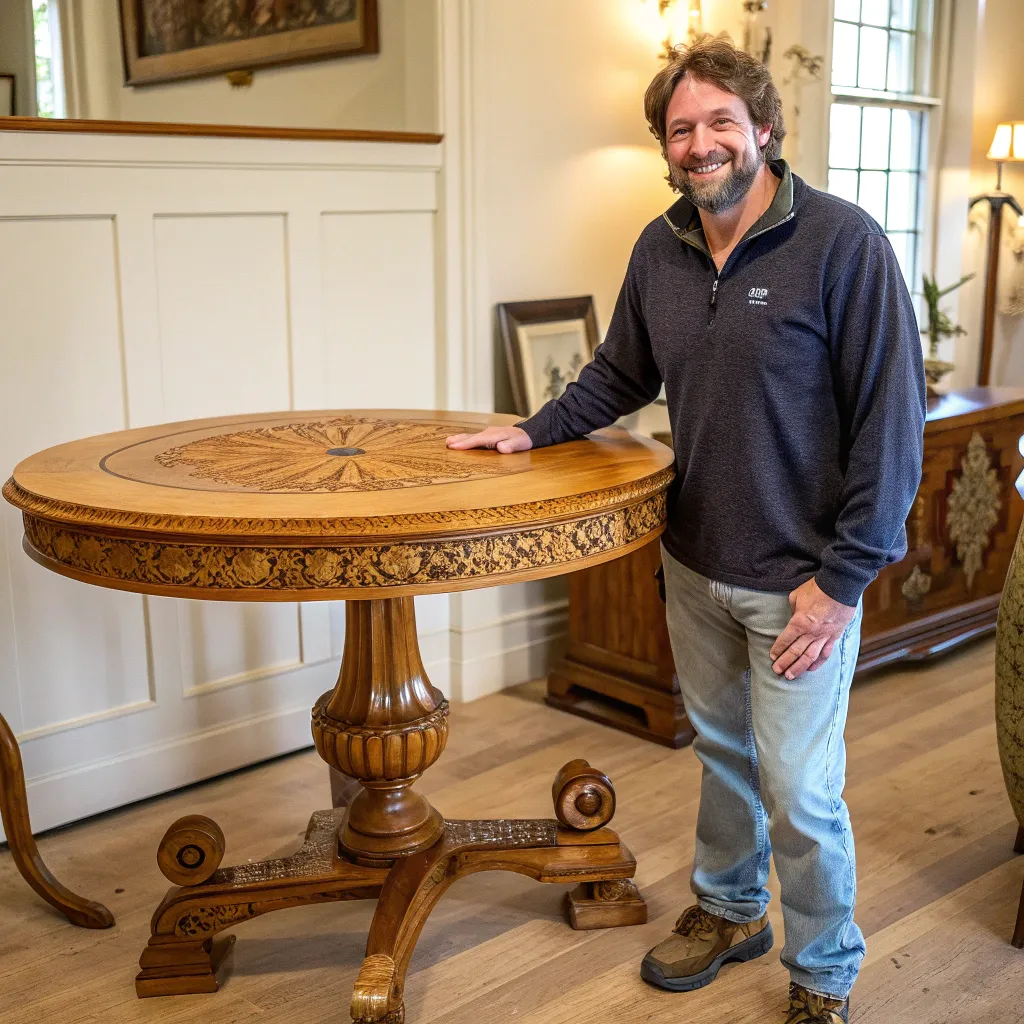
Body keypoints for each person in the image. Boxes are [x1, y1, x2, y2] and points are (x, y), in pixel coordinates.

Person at [447, 35, 926, 1024]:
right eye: (680, 128)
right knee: (722, 755)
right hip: (696, 562)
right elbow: (619, 370)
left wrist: (840, 583)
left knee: (798, 789)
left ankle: (823, 972)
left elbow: (892, 423)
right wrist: (531, 431)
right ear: (664, 149)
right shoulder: (658, 249)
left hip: (801, 581)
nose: (699, 142)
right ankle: (728, 907)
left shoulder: (843, 243)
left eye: (718, 122)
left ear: (762, 131)